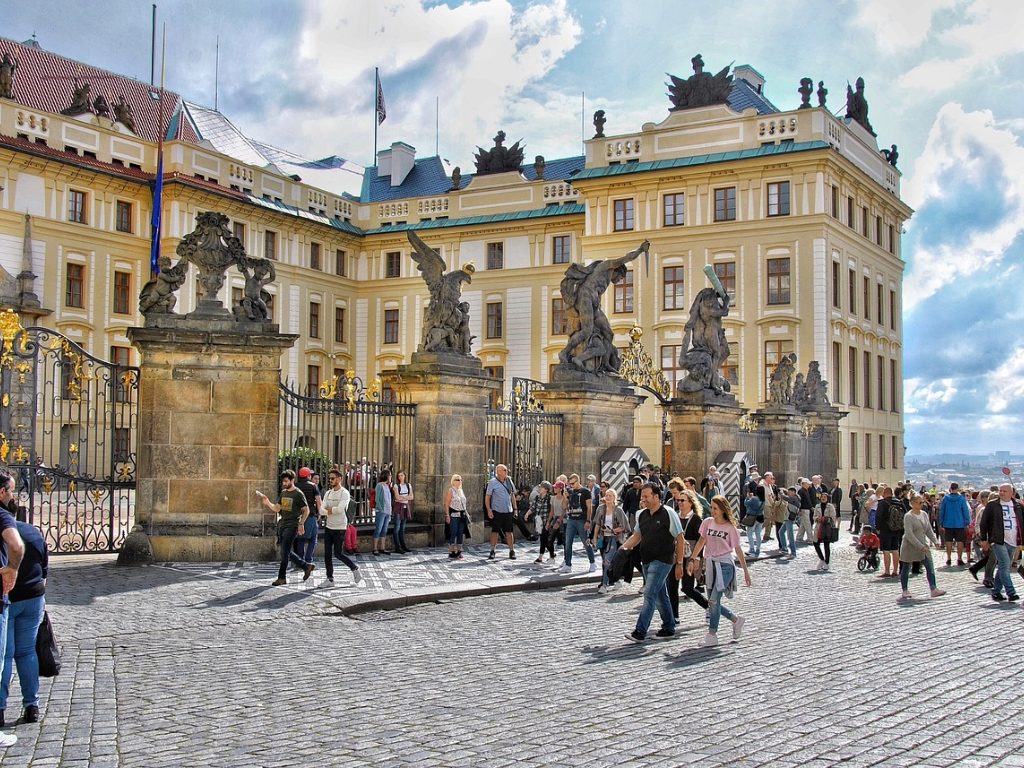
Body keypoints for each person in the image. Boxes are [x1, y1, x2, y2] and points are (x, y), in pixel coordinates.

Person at [619, 484, 683, 642]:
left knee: (649, 594)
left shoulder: (669, 513)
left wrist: (680, 563)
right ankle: (669, 627)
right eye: (642, 496)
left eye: (646, 496)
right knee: (660, 595)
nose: (643, 499)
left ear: (656, 497)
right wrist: (622, 548)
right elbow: (636, 536)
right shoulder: (641, 515)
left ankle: (640, 631)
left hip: (663, 560)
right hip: (646, 560)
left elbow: (680, 538)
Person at [1, 519, 48, 726]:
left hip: (9, 599)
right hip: (33, 596)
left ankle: (0, 708)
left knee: (6, 655)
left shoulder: (6, 536)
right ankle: (32, 706)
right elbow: (44, 567)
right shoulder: (33, 532)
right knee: (27, 652)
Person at [688, 495, 750, 647]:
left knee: (714, 600)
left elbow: (738, 549)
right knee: (712, 602)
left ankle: (712, 635)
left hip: (725, 566)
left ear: (723, 509)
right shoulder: (707, 522)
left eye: (716, 508)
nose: (713, 511)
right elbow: (702, 541)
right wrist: (692, 559)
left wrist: (746, 571)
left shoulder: (730, 528)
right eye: (712, 508)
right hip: (710, 565)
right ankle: (736, 620)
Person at [0, 473, 24, 746]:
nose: (12, 496)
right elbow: (17, 545)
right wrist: (12, 569)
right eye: (10, 490)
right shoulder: (3, 516)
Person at [257, 469, 308, 586]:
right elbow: (277, 508)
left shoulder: (298, 494)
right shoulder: (284, 493)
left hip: (292, 525)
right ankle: (306, 566)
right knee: (285, 551)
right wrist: (268, 502)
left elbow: (306, 510)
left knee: (284, 553)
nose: (284, 483)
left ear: (292, 480)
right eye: (283, 481)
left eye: (286, 481)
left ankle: (282, 577)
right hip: (283, 525)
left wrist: (301, 523)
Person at [977, 483, 1024, 602]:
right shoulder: (993, 505)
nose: (1001, 493)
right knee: (1004, 564)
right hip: (998, 540)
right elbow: (984, 523)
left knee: (1004, 566)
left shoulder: (1018, 505)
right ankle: (1011, 592)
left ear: (1011, 493)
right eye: (1000, 491)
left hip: (1013, 540)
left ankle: (996, 591)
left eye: (1004, 491)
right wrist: (984, 539)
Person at [898, 492, 945, 600]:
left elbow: (928, 529)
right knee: (906, 567)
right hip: (909, 546)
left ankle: (933, 588)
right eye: (920, 502)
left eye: (923, 502)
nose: (922, 504)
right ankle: (905, 590)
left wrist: (935, 541)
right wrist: (919, 546)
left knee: (929, 566)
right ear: (913, 503)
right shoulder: (908, 516)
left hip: (923, 545)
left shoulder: (923, 514)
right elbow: (909, 534)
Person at [321, 469, 361, 586]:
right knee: (327, 554)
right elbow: (321, 510)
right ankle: (330, 579)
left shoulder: (345, 493)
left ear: (339, 479)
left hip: (340, 527)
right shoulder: (328, 493)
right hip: (329, 526)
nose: (330, 480)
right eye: (330, 478)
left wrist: (329, 510)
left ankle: (355, 569)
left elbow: (340, 509)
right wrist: (329, 510)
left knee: (338, 553)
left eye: (333, 478)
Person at [558, 474, 596, 573]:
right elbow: (563, 506)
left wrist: (588, 520)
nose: (571, 485)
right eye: (570, 484)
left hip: (581, 519)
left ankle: (592, 562)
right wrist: (565, 498)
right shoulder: (569, 491)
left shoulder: (585, 491)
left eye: (573, 483)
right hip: (571, 519)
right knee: (568, 542)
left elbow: (589, 507)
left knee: (585, 541)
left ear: (578, 481)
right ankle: (568, 564)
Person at [594, 488, 628, 594]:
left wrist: (613, 530)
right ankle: (616, 579)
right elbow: (597, 524)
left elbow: (624, 526)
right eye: (607, 495)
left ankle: (604, 585)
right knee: (606, 561)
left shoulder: (618, 510)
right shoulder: (601, 508)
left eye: (610, 496)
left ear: (614, 498)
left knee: (607, 561)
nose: (608, 497)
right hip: (603, 537)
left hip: (614, 538)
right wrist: (594, 537)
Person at [292, 467, 321, 578]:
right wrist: (320, 513)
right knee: (313, 539)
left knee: (300, 539)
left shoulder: (295, 486)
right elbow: (318, 501)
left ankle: (300, 561)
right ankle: (308, 560)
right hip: (310, 515)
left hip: (299, 516)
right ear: (308, 476)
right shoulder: (313, 486)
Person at [485, 464, 517, 560]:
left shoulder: (509, 480)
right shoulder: (492, 482)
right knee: (495, 531)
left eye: (506, 470)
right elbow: (487, 497)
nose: (506, 472)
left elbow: (512, 495)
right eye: (504, 470)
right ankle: (492, 550)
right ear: (498, 471)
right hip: (497, 510)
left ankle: (511, 550)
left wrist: (515, 509)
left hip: (508, 510)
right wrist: (489, 510)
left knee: (509, 531)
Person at [938, 482, 971, 567]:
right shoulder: (961, 498)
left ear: (950, 488)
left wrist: (941, 522)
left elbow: (942, 511)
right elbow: (965, 511)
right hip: (959, 523)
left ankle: (949, 558)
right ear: (957, 488)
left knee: (948, 541)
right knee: (960, 541)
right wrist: (967, 522)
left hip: (948, 523)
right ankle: (959, 559)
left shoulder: (945, 498)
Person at [875, 486, 901, 578]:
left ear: (884, 493)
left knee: (886, 550)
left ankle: (887, 571)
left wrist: (877, 528)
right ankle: (895, 571)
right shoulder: (898, 502)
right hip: (897, 529)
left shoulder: (882, 503)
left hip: (885, 529)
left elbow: (878, 516)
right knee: (895, 550)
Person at [443, 474, 468, 560]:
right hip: (454, 515)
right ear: (453, 481)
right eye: (457, 479)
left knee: (460, 533)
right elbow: (446, 503)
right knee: (453, 533)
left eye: (460, 479)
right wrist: (447, 515)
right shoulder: (451, 490)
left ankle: (459, 551)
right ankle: (451, 551)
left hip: (462, 515)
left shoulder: (461, 490)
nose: (459, 481)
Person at [529, 481, 555, 564]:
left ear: (546, 489)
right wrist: (527, 514)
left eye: (541, 487)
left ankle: (541, 557)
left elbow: (552, 511)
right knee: (544, 539)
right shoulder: (537, 497)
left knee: (544, 539)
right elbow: (533, 507)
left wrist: (548, 522)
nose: (539, 488)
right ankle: (551, 554)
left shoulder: (550, 498)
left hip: (546, 521)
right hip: (539, 522)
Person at [813, 491, 837, 571]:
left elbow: (833, 517)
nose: (823, 498)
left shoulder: (830, 506)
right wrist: (817, 518)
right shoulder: (817, 506)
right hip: (819, 527)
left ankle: (827, 562)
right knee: (816, 543)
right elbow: (814, 516)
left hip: (827, 527)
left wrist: (826, 519)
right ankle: (822, 559)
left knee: (826, 545)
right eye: (822, 496)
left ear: (827, 498)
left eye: (825, 497)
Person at [372, 468, 393, 556]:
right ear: (387, 476)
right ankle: (375, 548)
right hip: (381, 511)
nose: (391, 477)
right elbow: (377, 499)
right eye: (390, 475)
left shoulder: (387, 485)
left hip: (387, 511)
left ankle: (382, 548)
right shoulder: (379, 485)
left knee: (384, 530)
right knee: (378, 529)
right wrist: (380, 509)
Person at [392, 470, 414, 554]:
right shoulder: (396, 486)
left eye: (402, 475)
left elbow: (412, 497)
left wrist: (403, 497)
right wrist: (406, 497)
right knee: (397, 527)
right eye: (399, 475)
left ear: (405, 476)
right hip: (398, 507)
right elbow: (397, 497)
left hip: (405, 507)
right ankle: (397, 547)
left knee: (402, 527)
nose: (400, 477)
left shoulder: (408, 485)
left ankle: (403, 545)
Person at [743, 488, 764, 558]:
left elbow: (746, 504)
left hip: (753, 517)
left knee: (749, 533)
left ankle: (752, 549)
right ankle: (758, 549)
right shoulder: (763, 500)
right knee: (758, 534)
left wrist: (747, 497)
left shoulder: (754, 498)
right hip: (761, 517)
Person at [796, 478, 814, 543]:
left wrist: (811, 507)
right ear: (804, 484)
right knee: (808, 525)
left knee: (803, 525)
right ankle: (810, 539)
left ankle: (799, 537)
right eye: (808, 484)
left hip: (807, 509)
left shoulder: (805, 490)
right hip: (804, 509)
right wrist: (799, 509)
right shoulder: (801, 491)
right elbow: (799, 501)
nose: (809, 485)